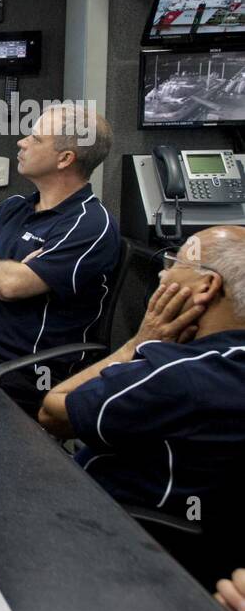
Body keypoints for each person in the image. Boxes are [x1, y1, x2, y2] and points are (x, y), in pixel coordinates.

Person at [37, 226, 245, 580]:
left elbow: (52, 411)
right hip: (210, 561)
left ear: (207, 287)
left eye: (175, 263)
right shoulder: (226, 364)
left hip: (111, 543)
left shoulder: (176, 375)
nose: (163, 273)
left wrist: (137, 342)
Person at [0, 103, 119, 411]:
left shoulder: (89, 224)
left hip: (22, 372)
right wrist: (1, 275)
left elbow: (12, 286)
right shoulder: (13, 207)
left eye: (35, 138)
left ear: (65, 159)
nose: (21, 142)